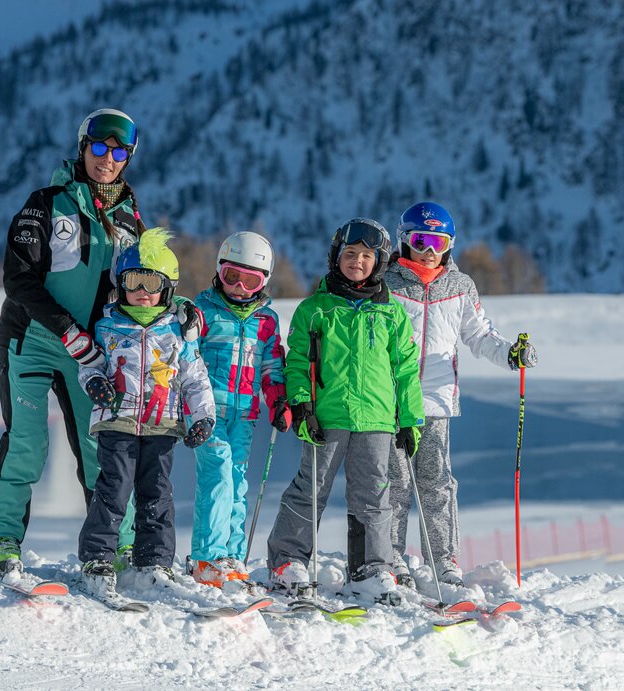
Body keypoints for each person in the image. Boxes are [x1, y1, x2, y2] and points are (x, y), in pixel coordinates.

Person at [0, 108, 198, 581]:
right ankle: (3, 543)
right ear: (83, 147)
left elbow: (145, 286)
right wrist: (67, 331)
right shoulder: (46, 204)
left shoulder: (131, 220)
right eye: (99, 147)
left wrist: (178, 309)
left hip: (96, 352)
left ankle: (112, 550)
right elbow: (18, 280)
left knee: (105, 449)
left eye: (120, 151)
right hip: (32, 340)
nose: (108, 158)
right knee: (26, 444)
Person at [265, 218, 424, 602]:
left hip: (378, 419)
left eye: (367, 256)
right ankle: (289, 560)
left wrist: (410, 419)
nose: (357, 261)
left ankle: (371, 568)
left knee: (374, 494)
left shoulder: (392, 314)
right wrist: (302, 404)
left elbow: (405, 369)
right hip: (327, 416)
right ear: (336, 257)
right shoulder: (315, 309)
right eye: (350, 254)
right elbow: (298, 361)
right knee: (310, 488)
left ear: (380, 262)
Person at [381, 201, 538, 588]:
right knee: (394, 481)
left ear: (450, 243)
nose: (429, 250)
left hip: (434, 399)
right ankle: (392, 557)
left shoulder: (460, 286)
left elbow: (480, 335)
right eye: (421, 240)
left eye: (439, 241)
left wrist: (510, 355)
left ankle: (444, 561)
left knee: (436, 481)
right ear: (404, 240)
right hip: (389, 398)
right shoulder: (386, 283)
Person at [75, 229, 216, 598]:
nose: (141, 291)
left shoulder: (177, 331)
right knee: (113, 488)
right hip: (117, 420)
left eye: (150, 282)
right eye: (133, 281)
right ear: (120, 284)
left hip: (163, 423)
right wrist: (93, 382)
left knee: (157, 492)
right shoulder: (106, 325)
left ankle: (153, 561)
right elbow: (89, 364)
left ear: (167, 287)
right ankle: (98, 558)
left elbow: (194, 376)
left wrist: (202, 416)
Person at [188, 231, 291, 587]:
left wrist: (278, 400)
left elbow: (271, 366)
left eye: (252, 280)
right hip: (207, 413)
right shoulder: (202, 313)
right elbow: (186, 360)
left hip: (244, 415)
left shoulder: (266, 321)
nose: (240, 287)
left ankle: (231, 554)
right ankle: (206, 557)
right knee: (217, 476)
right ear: (219, 271)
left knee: (237, 484)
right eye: (233, 276)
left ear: (264, 282)